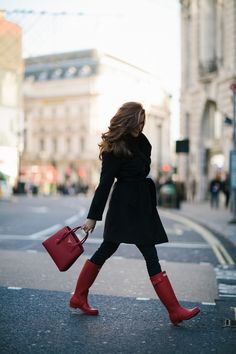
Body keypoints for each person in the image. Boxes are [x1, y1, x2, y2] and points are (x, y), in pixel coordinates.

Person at [69, 102, 200, 325]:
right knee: (139, 253)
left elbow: (144, 167)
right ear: (128, 120)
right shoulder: (114, 147)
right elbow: (104, 184)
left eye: (143, 121)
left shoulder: (142, 142)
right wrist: (93, 217)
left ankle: (78, 296)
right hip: (124, 206)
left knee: (110, 250)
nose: (141, 125)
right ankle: (174, 310)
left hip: (141, 204)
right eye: (138, 121)